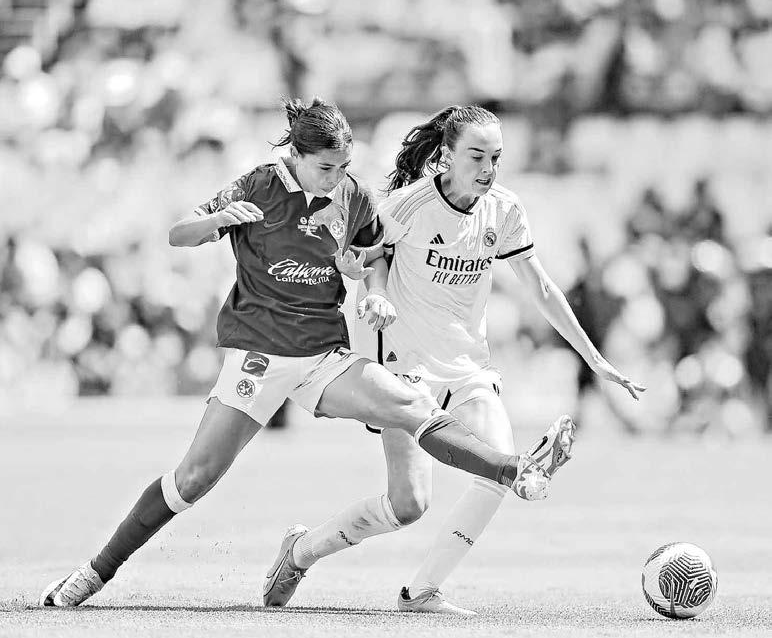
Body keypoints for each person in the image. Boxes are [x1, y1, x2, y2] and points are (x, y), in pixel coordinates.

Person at [40, 99, 571, 609]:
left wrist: (374, 290)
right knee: (194, 479)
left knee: (413, 405)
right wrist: (218, 220)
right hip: (259, 356)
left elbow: (372, 256)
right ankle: (97, 570)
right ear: (295, 154)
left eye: (344, 167)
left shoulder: (354, 196)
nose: (336, 178)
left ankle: (513, 469)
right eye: (326, 168)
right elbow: (179, 234)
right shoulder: (258, 185)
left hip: (322, 356)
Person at [262, 105, 644, 614]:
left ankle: (421, 592)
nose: (488, 169)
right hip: (404, 368)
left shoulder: (504, 210)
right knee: (408, 506)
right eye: (477, 156)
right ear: (446, 155)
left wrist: (593, 359)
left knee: (499, 470)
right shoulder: (407, 205)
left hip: (468, 368)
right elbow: (369, 259)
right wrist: (374, 292)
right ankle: (301, 551)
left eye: (496, 158)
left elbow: (541, 288)